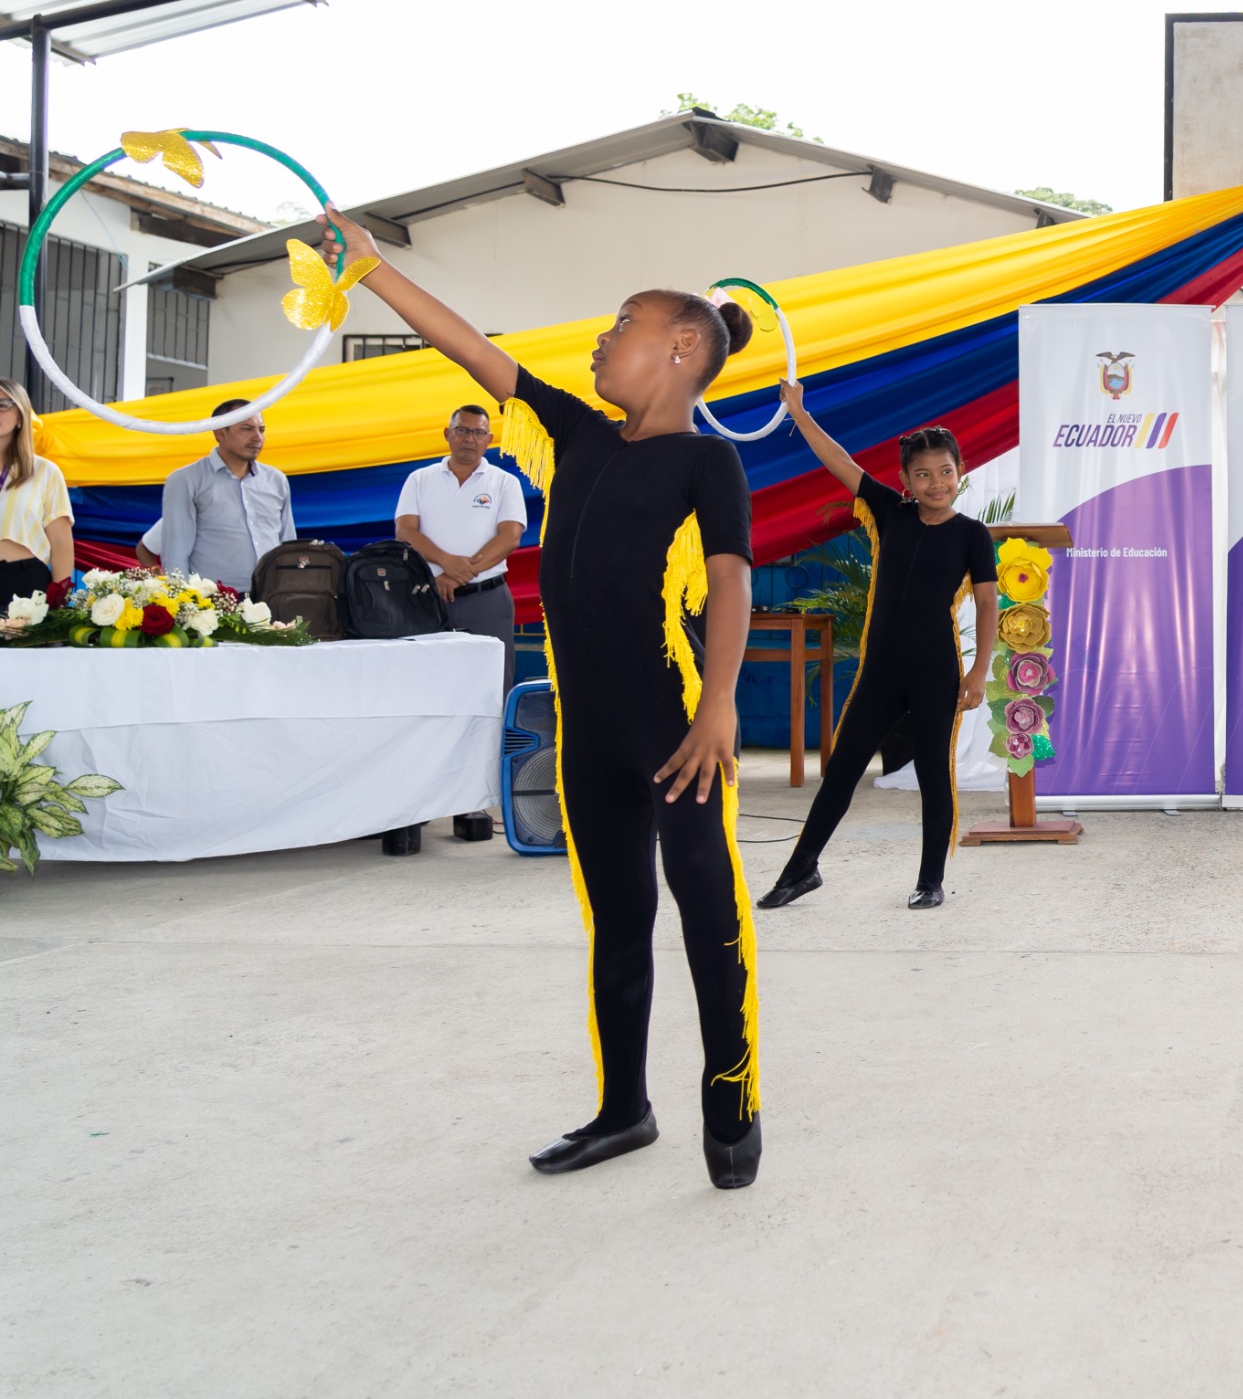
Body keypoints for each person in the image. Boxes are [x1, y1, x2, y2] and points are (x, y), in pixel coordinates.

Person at [322, 207, 766, 1190]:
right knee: (617, 920)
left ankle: (731, 1096)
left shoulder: (707, 460)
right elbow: (476, 351)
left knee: (706, 909)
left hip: (673, 725)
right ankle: (624, 1108)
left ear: (681, 347)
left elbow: (731, 577)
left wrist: (719, 704)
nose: (603, 338)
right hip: (590, 731)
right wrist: (370, 270)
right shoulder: (578, 433)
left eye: (623, 323)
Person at [757, 384, 995, 913]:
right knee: (842, 770)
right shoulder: (890, 512)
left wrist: (979, 671)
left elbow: (986, 604)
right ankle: (801, 869)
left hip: (935, 671)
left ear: (961, 471)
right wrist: (799, 412)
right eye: (923, 474)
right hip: (881, 671)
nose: (937, 482)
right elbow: (839, 461)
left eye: (946, 471)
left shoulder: (972, 535)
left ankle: (930, 880)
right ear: (905, 481)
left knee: (933, 774)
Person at [395, 403, 528, 842]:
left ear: (489, 440)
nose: (470, 438)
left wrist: (459, 573)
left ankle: (477, 798)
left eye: (478, 432)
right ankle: (420, 799)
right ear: (447, 434)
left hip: (487, 600)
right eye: (462, 430)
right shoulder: (420, 479)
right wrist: (445, 564)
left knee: (489, 697)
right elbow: (406, 532)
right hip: (428, 603)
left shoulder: (504, 482)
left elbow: (510, 536)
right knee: (426, 697)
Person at [160, 400, 295, 594]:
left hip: (272, 596)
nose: (257, 437)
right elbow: (175, 552)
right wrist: (183, 602)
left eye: (262, 430)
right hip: (215, 601)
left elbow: (288, 545)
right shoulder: (186, 479)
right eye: (246, 429)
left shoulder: (276, 480)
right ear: (219, 433)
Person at [0, 380, 73, 605]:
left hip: (23, 584)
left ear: (21, 416)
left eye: (3, 405)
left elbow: (61, 544)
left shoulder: (45, 471)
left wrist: (59, 603)